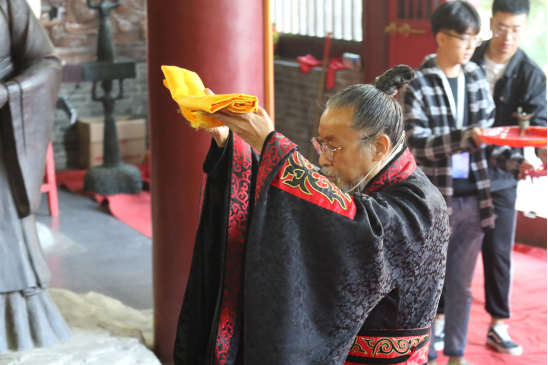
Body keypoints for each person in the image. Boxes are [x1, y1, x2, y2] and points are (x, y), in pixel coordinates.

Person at [172, 66, 451, 365]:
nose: (322, 158)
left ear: (379, 146)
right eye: (321, 143)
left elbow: (356, 225)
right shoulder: (363, 176)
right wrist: (234, 143)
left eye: (333, 146)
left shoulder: (421, 203)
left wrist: (273, 146)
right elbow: (313, 199)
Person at [403, 2, 533, 365]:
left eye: (476, 38)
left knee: (461, 287)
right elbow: (419, 145)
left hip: (474, 198)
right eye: (465, 38)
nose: (472, 46)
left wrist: (520, 163)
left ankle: (457, 356)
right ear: (442, 38)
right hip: (432, 203)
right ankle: (422, 355)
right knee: (425, 285)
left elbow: (489, 141)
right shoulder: (419, 82)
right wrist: (467, 137)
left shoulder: (475, 76)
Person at [470, 0, 547, 356]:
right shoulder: (468, 57)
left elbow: (541, 130)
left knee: (499, 250)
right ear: (491, 22)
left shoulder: (531, 74)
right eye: (501, 27)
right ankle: (437, 320)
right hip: (457, 168)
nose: (507, 36)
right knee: (449, 247)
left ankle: (498, 324)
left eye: (515, 29)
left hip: (503, 171)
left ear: (524, 27)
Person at [0, 0, 71, 353]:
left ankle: (15, 323)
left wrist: (9, 91)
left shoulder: (7, 5)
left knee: (5, 227)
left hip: (3, 128)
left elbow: (45, 61)